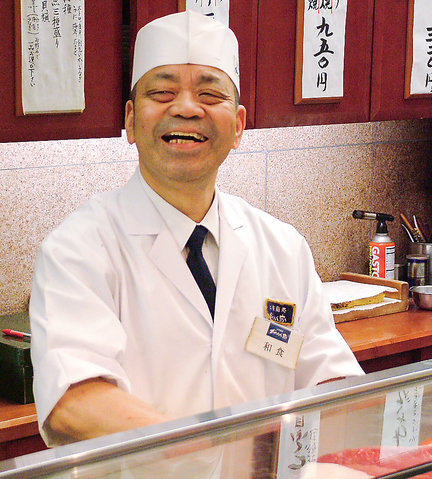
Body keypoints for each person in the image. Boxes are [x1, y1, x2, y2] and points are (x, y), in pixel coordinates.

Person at [30, 10, 364, 448]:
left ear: (240, 125)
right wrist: (206, 446)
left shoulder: (282, 247)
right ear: (130, 121)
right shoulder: (78, 249)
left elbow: (329, 376)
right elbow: (73, 403)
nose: (186, 108)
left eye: (210, 94)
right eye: (163, 91)